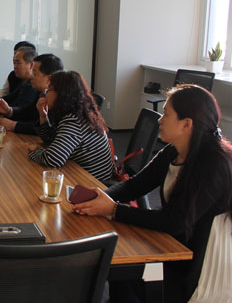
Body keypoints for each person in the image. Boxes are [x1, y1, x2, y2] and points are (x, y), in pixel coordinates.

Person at [72, 85, 232, 303]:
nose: (160, 120)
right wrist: (101, 197)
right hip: (176, 243)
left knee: (122, 271)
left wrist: (113, 210)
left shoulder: (213, 164)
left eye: (166, 114)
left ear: (186, 124)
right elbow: (134, 186)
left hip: (201, 264)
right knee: (118, 269)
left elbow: (175, 221)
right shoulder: (174, 151)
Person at [27, 71, 114, 182]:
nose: (46, 93)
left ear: (61, 94)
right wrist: (43, 117)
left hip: (94, 183)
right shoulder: (76, 112)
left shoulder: (74, 120)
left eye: (49, 89)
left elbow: (52, 159)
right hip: (86, 175)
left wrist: (36, 150)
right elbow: (50, 140)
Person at [0, 53, 64, 134]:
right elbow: (28, 112)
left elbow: (44, 128)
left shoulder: (58, 99)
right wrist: (9, 111)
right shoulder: (42, 93)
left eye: (34, 73)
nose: (31, 76)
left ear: (48, 79)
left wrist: (13, 125)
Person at [0, 47, 39, 113]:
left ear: (31, 65)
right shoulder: (25, 82)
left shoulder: (33, 86)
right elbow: (9, 98)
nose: (15, 67)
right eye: (14, 63)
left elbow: (17, 108)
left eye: (18, 63)